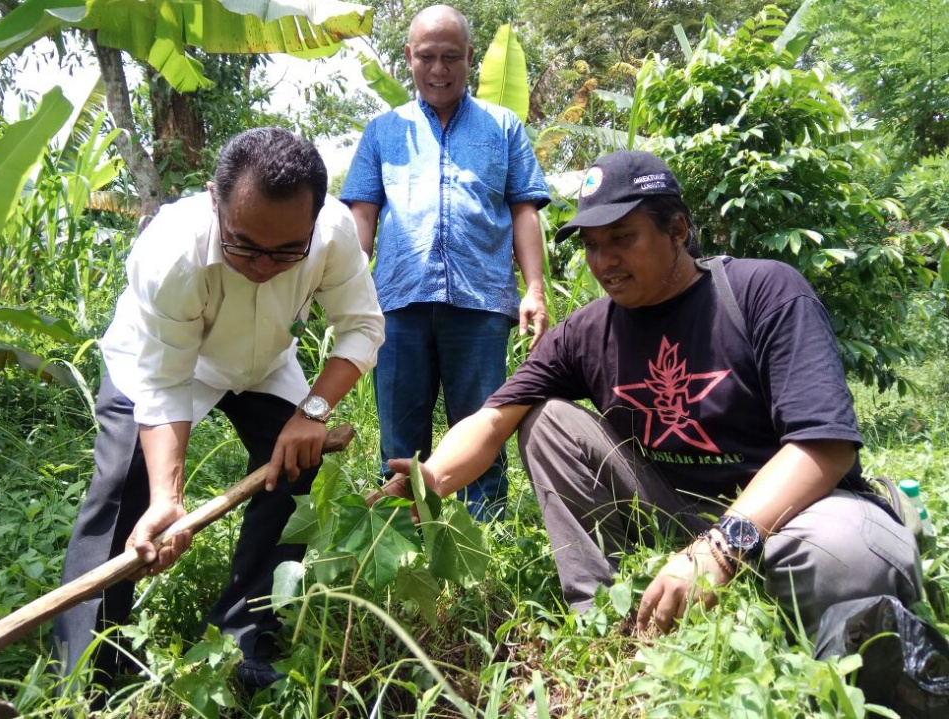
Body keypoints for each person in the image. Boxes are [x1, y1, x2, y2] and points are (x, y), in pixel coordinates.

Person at [377, 148, 922, 636]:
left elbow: (824, 445)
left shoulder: (763, 291)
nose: (603, 262)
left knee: (851, 561)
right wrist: (432, 480)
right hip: (672, 512)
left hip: (790, 512)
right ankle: (604, 619)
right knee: (545, 421)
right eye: (591, 245)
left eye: (622, 238)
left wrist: (721, 547)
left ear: (678, 229)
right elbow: (494, 419)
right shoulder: (584, 332)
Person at [52, 127, 385, 692]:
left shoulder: (332, 234)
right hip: (157, 360)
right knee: (122, 489)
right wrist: (168, 499)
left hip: (264, 364)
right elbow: (163, 383)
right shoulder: (171, 250)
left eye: (286, 252)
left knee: (295, 469)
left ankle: (246, 635)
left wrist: (313, 409)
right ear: (216, 200)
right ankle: (86, 672)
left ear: (313, 221)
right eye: (244, 245)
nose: (262, 266)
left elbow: (362, 327)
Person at [340, 4, 551, 520]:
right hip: (398, 304)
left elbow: (524, 211)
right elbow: (362, 218)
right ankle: (399, 538)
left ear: (470, 58)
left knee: (483, 426)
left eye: (451, 57)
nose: (439, 69)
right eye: (428, 57)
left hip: (481, 305)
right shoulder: (383, 132)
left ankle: (483, 540)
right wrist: (343, 292)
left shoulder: (503, 127)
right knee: (399, 437)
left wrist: (535, 289)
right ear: (408, 58)